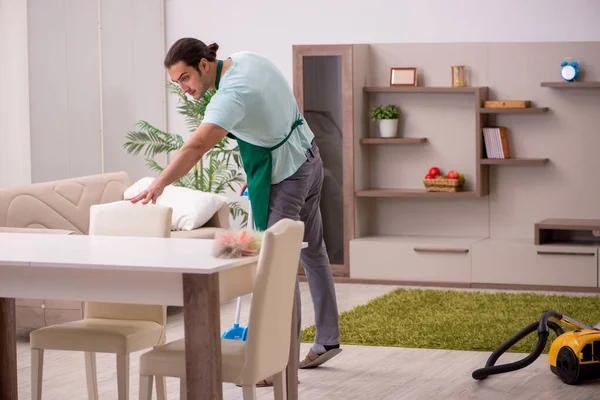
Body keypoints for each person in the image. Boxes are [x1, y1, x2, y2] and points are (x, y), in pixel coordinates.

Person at [128, 38, 342, 385]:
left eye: (185, 78)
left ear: (203, 65)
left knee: (276, 265)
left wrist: (159, 184)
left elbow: (195, 146)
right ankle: (327, 339)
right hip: (308, 157)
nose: (184, 89)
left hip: (287, 175)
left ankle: (276, 362)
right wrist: (259, 172)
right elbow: (270, 112)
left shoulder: (229, 96)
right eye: (176, 83)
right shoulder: (244, 59)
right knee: (312, 252)